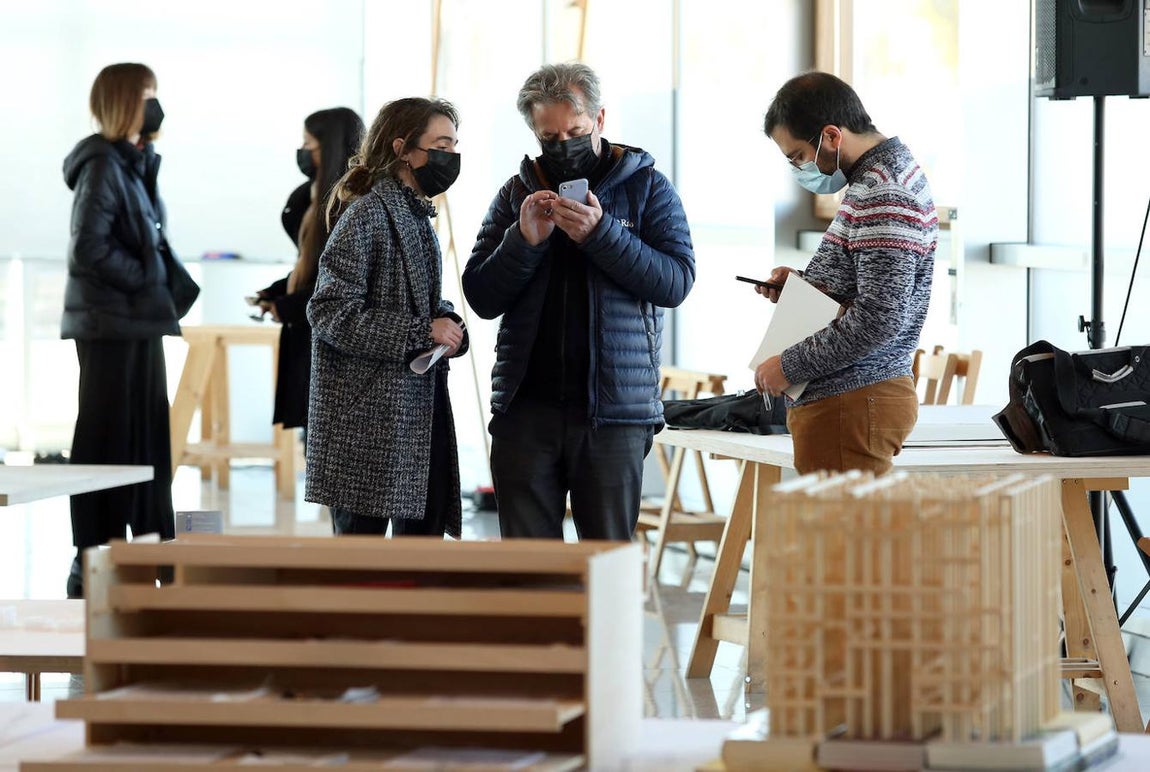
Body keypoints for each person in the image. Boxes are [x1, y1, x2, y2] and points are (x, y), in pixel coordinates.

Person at [463, 62, 695, 541]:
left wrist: (600, 234)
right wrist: (522, 242)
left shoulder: (648, 187)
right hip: (525, 412)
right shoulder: (515, 193)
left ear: (600, 119)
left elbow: (675, 283)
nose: (563, 144)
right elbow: (481, 297)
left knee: (607, 565)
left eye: (575, 130)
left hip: (614, 414)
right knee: (527, 572)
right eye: (550, 137)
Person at [753, 71, 937, 475]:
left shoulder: (884, 192)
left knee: (844, 539)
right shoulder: (878, 179)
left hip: (852, 399)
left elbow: (879, 317)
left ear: (832, 136)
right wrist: (806, 287)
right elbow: (867, 287)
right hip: (850, 399)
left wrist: (788, 366)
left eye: (798, 156)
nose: (801, 169)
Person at [61, 62, 198, 598]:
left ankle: (145, 549)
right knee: (106, 442)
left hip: (135, 322)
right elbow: (89, 248)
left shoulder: (130, 164)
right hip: (111, 324)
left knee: (143, 442)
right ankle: (91, 557)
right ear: (126, 102)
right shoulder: (101, 165)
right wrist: (147, 279)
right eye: (149, 97)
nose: (157, 107)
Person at [305, 97, 468, 537]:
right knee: (363, 573)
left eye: (454, 145)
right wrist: (421, 330)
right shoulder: (367, 214)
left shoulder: (414, 215)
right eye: (441, 144)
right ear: (403, 149)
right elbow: (329, 311)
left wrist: (447, 324)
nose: (451, 157)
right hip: (368, 422)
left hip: (409, 414)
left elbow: (413, 300)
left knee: (418, 561)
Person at [252, 108, 365, 431]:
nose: (302, 153)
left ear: (328, 148)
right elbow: (311, 264)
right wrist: (278, 292)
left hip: (331, 345)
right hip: (305, 331)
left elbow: (333, 284)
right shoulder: (309, 197)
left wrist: (288, 305)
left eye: (308, 144)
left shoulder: (351, 205)